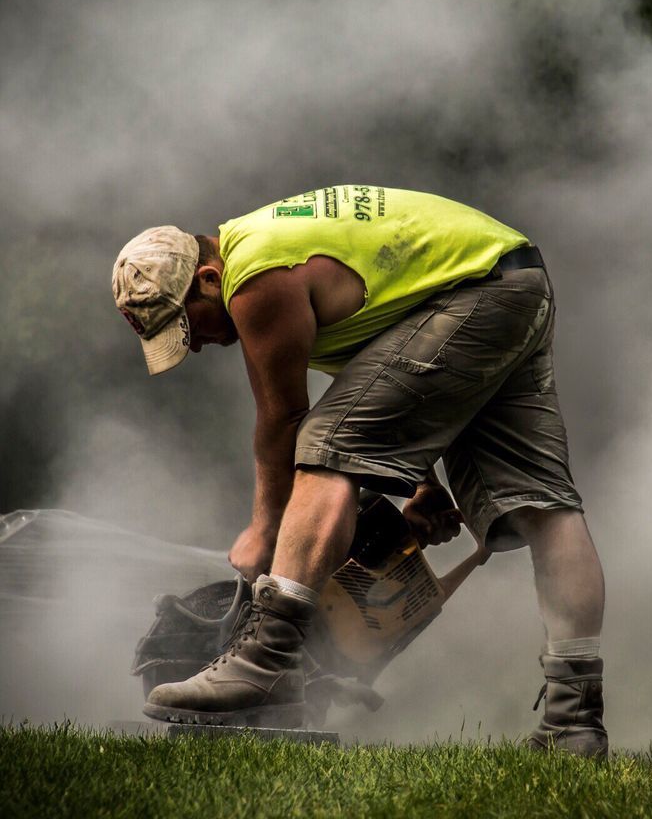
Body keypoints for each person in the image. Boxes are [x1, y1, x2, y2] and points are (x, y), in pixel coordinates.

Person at [110, 185, 607, 757]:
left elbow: (283, 421)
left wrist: (264, 531)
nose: (193, 347)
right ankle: (576, 723)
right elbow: (395, 375)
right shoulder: (280, 248)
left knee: (320, 441)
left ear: (206, 280)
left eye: (187, 327)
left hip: (476, 292)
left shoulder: (253, 278)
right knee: (543, 506)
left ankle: (265, 659)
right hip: (514, 281)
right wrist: (422, 482)